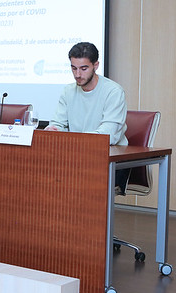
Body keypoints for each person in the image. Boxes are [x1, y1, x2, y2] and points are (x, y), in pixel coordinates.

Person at [45, 42, 129, 189]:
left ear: (95, 66)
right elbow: (58, 123)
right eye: (73, 68)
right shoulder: (68, 91)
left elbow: (108, 134)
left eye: (83, 69)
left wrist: (75, 141)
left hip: (109, 158)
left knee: (65, 178)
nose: (77, 75)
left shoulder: (113, 92)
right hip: (77, 155)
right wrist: (53, 130)